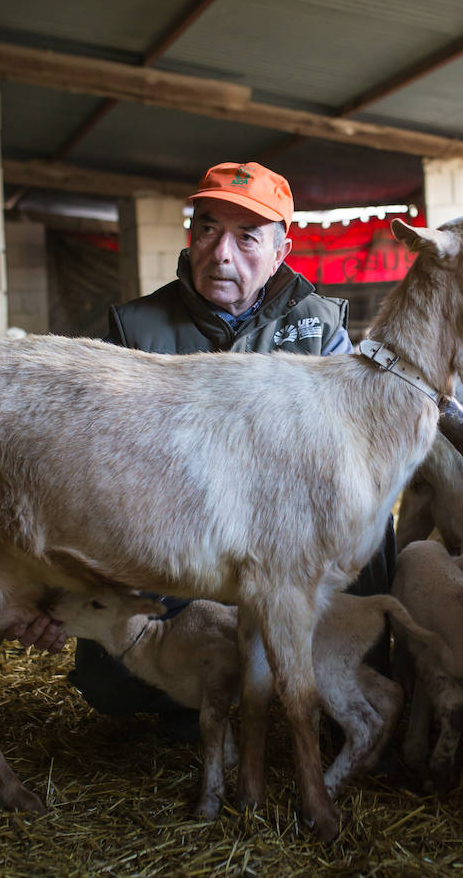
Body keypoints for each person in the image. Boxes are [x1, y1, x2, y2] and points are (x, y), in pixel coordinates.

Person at [66, 161, 396, 739]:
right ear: (190, 236)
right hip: (178, 538)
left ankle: (355, 684)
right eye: (209, 230)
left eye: (247, 237)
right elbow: (96, 463)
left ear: (280, 252)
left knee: (372, 510)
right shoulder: (135, 331)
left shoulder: (320, 328)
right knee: (110, 678)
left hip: (288, 537)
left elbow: (354, 442)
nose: (222, 254)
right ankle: (199, 695)